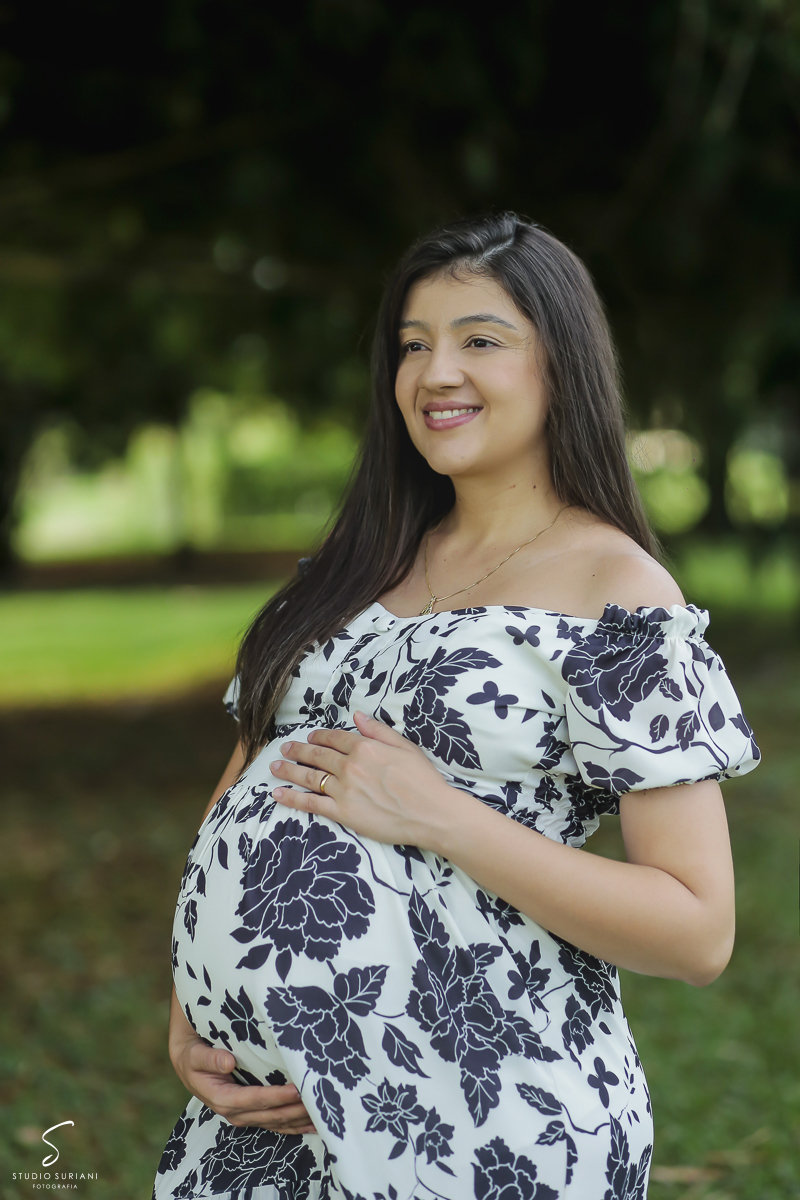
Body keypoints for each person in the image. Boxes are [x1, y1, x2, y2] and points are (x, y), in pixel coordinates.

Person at [154, 213, 760, 1199]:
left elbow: (695, 930)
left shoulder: (615, 590)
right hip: (274, 1124)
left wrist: (437, 815)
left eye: (479, 340)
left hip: (483, 1122)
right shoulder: (349, 569)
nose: (434, 372)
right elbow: (247, 780)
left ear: (559, 364)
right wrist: (192, 1008)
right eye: (411, 344)